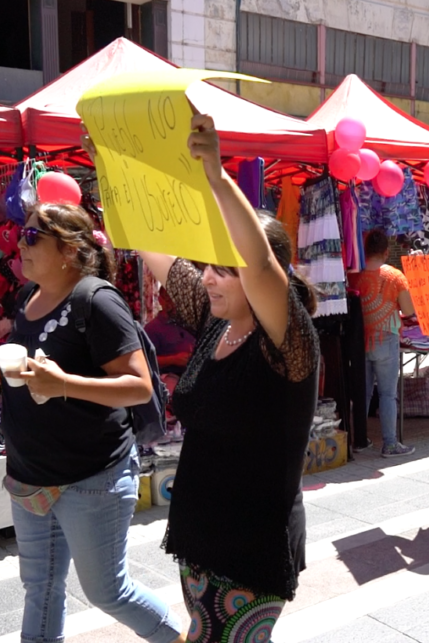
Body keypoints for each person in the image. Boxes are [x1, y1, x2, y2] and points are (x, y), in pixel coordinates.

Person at [133, 114, 321, 642]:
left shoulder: (289, 343)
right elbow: (148, 241)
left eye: (224, 269)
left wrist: (216, 177)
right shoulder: (216, 320)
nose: (208, 277)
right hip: (199, 534)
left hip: (251, 547)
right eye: (208, 265)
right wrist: (116, 164)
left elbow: (257, 263)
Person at [0, 203, 185, 643]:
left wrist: (64, 384)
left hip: (92, 476)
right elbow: (31, 370)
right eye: (21, 234)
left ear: (68, 250)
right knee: (40, 589)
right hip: (29, 473)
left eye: (31, 237)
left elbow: (139, 387)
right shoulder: (27, 297)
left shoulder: (96, 301)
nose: (19, 244)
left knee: (108, 592)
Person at [348, 228, 417, 457]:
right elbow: (408, 310)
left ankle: (359, 441)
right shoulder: (395, 276)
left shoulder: (354, 275)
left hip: (360, 340)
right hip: (386, 337)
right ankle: (390, 444)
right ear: (386, 252)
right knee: (387, 394)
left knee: (363, 393)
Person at [144, 287, 196, 376]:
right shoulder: (152, 328)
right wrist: (173, 359)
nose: (172, 303)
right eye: (168, 299)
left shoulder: (190, 323)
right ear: (160, 300)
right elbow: (145, 360)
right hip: (168, 377)